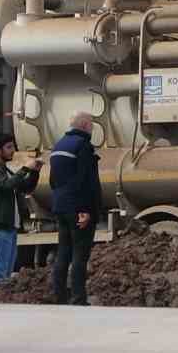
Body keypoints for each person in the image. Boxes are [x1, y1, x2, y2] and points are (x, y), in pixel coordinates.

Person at [50, 110, 104, 305]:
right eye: (91, 124)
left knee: (63, 252)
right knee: (80, 255)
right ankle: (78, 297)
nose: (92, 128)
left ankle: (59, 295)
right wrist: (86, 210)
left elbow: (53, 181)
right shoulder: (83, 147)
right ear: (84, 126)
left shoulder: (59, 145)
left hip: (61, 206)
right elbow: (85, 181)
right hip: (79, 208)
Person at [0, 133, 41, 285]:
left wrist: (35, 172)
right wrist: (25, 168)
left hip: (9, 227)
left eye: (13, 146)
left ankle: (0, 304)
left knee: (6, 274)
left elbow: (26, 188)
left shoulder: (5, 171)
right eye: (9, 147)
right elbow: (8, 185)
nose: (13, 150)